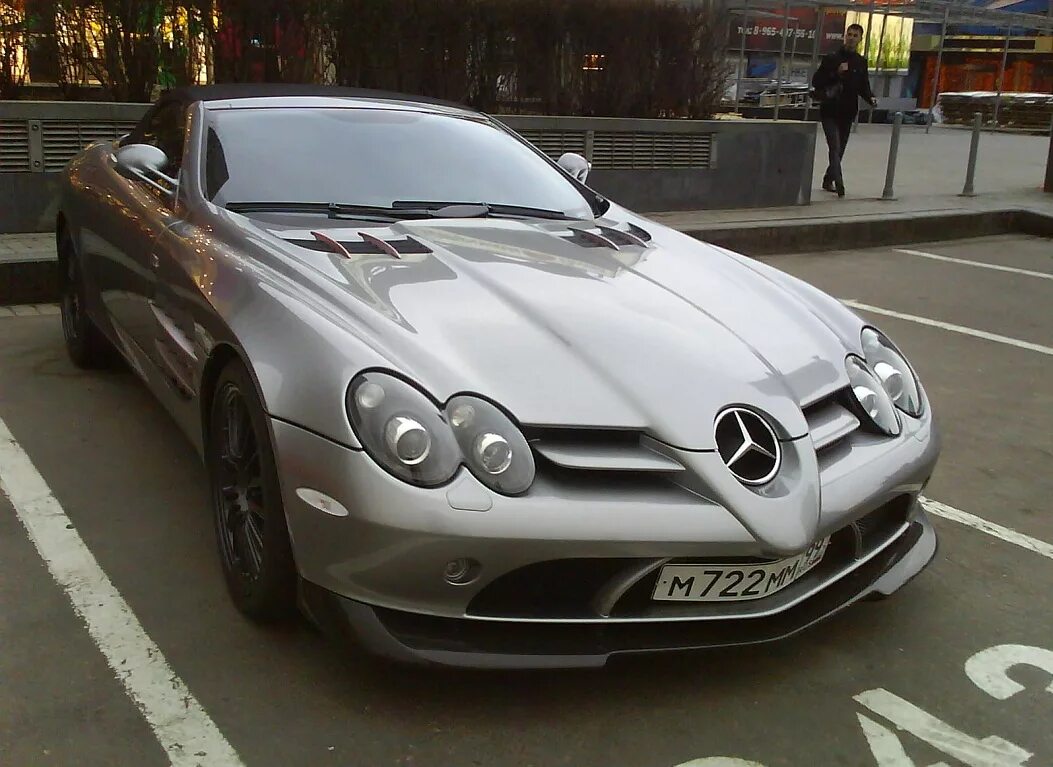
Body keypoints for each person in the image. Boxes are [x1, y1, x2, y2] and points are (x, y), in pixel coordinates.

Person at [811, 23, 878, 197]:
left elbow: (863, 86)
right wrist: (835, 72)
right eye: (849, 34)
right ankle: (839, 182)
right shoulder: (832, 58)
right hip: (830, 110)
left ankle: (828, 179)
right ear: (844, 36)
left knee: (840, 150)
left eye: (855, 35)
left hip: (848, 112)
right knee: (834, 146)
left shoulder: (860, 62)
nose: (851, 38)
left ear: (860, 39)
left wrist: (870, 97)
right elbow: (816, 81)